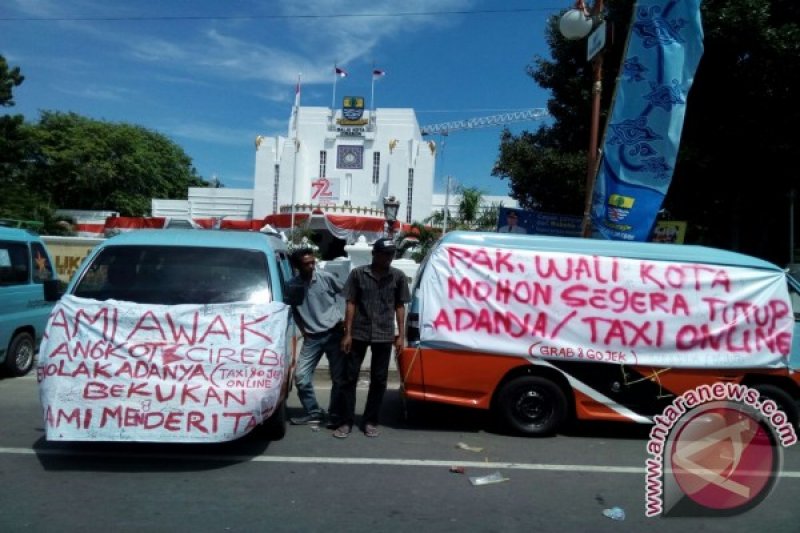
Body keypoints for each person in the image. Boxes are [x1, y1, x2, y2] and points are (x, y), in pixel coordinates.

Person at [334, 237, 410, 438]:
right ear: (375, 254)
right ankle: (346, 421)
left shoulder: (398, 277)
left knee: (379, 380)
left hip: (384, 334)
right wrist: (347, 333)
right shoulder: (358, 274)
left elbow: (400, 306)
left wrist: (401, 336)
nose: (389, 258)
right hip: (359, 332)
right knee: (349, 378)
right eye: (385, 254)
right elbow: (351, 303)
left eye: (392, 254)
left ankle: (370, 420)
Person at [285, 248, 346, 426]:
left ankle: (334, 413)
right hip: (312, 338)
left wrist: (346, 323)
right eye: (307, 264)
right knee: (301, 378)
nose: (312, 266)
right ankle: (313, 412)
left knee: (338, 378)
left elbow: (348, 295)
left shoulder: (326, 278)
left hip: (334, 333)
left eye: (313, 262)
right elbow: (293, 309)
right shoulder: (292, 286)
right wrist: (304, 330)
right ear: (297, 266)